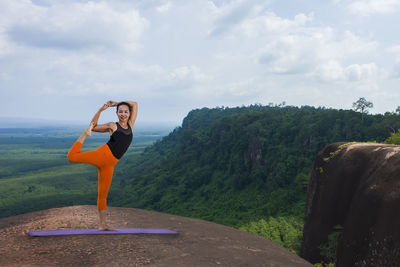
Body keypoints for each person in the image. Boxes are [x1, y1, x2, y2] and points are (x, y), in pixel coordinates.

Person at [67, 100, 138, 230]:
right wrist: (100, 110)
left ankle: (102, 224)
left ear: (129, 113)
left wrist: (116, 103)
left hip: (110, 165)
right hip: (103, 155)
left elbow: (134, 103)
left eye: (126, 112)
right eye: (120, 112)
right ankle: (84, 135)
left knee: (102, 195)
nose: (123, 114)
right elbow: (93, 126)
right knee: (72, 157)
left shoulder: (131, 125)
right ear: (117, 113)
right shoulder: (112, 125)